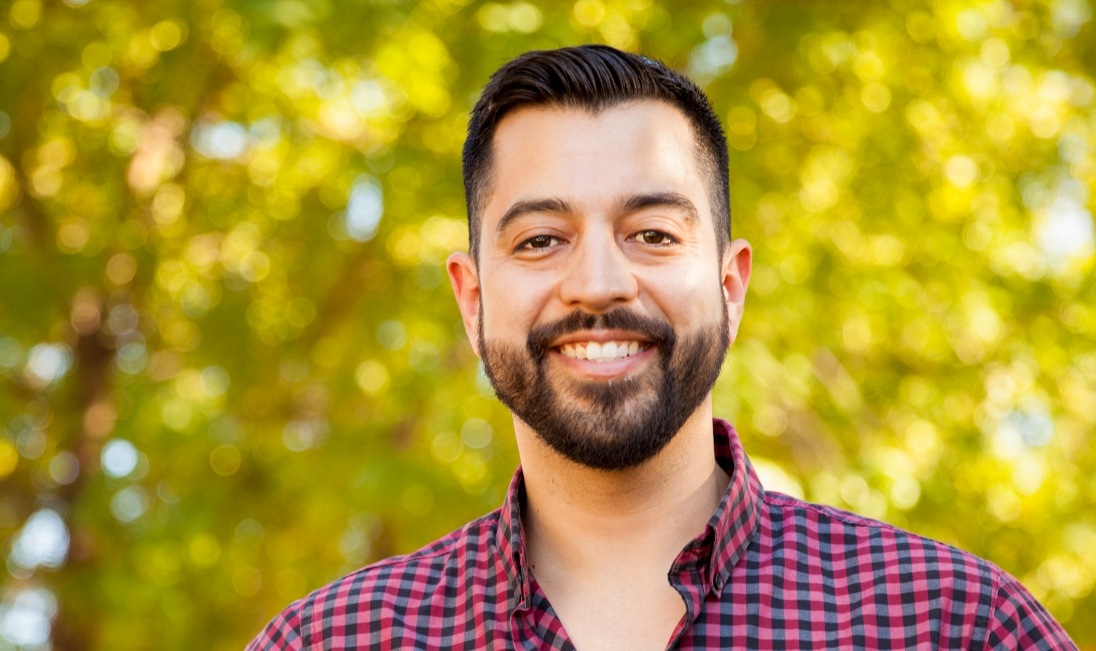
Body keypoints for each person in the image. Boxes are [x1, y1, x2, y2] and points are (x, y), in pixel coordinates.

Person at [247, 45, 1076, 650]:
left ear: (731, 283)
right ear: (472, 300)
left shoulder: (953, 623)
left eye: (650, 232)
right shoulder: (327, 639)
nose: (598, 283)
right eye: (541, 240)